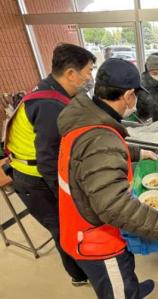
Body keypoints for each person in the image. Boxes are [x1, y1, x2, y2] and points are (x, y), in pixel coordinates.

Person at [57, 58, 158, 299]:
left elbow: (91, 160)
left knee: (126, 271)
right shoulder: (100, 138)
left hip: (83, 223)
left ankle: (131, 288)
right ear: (127, 96)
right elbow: (112, 205)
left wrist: (135, 152)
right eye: (135, 95)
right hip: (96, 239)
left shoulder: (84, 119)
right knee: (117, 290)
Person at [4, 43, 95, 286]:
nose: (90, 77)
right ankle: (78, 276)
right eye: (88, 71)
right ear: (70, 74)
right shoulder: (49, 104)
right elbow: (47, 161)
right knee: (62, 228)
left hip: (39, 172)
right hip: (34, 180)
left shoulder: (52, 89)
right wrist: (67, 197)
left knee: (66, 224)